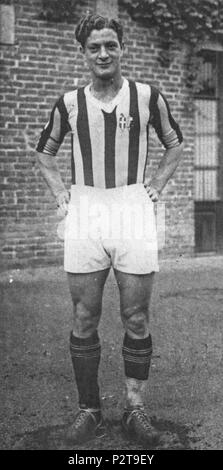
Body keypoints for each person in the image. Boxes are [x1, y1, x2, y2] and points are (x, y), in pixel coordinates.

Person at [36, 13, 184, 445]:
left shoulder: (147, 97)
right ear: (83, 53)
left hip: (132, 207)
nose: (103, 53)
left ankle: (136, 410)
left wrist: (155, 187)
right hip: (87, 208)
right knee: (85, 315)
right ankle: (90, 411)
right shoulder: (68, 103)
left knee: (135, 315)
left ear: (122, 48)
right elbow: (44, 154)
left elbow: (174, 144)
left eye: (110, 45)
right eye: (94, 47)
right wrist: (61, 193)